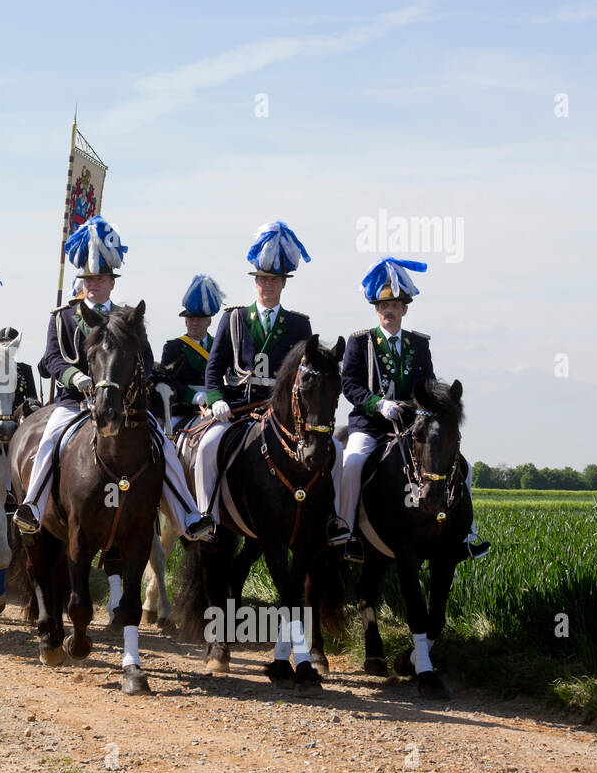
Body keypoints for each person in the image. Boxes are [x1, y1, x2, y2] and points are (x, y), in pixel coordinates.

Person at [13, 217, 213, 541]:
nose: (94, 283)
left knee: (165, 447)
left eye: (101, 278)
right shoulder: (63, 316)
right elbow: (50, 359)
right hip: (74, 402)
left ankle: (188, 515)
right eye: (89, 278)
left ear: (112, 282)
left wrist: (129, 386)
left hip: (122, 404)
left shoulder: (128, 317)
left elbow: (146, 360)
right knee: (49, 440)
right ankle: (33, 506)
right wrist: (75, 377)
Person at [195, 221, 348, 546]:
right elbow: (213, 368)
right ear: (256, 282)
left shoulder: (298, 324)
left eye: (274, 280)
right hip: (238, 409)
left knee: (334, 448)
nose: (268, 285)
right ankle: (204, 515)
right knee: (208, 447)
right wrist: (216, 397)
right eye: (263, 279)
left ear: (283, 283)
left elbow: (311, 375)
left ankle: (333, 520)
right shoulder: (234, 318)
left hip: (281, 415)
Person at [339, 258, 490, 562]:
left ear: (404, 309)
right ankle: (347, 532)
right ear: (376, 310)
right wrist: (378, 404)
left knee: (464, 466)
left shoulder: (419, 344)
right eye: (383, 306)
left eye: (394, 305)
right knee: (352, 464)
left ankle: (467, 535)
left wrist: (435, 404)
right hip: (371, 425)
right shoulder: (360, 342)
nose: (388, 311)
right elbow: (349, 384)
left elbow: (430, 385)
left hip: (411, 428)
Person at [155, 275, 223, 432]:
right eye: (190, 319)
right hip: (182, 408)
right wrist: (194, 396)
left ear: (209, 321)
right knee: (166, 443)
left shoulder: (219, 346)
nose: (194, 323)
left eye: (199, 319)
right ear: (185, 321)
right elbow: (167, 382)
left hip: (215, 405)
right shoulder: (173, 347)